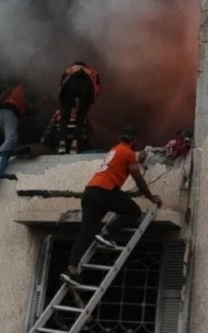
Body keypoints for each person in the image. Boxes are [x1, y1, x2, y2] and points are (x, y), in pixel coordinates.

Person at [61, 126, 162, 286]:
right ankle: (107, 233)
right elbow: (138, 179)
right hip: (106, 190)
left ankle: (71, 269)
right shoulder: (128, 153)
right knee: (133, 212)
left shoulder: (115, 150)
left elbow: (123, 166)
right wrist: (151, 197)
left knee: (86, 231)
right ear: (133, 141)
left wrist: (137, 161)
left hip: (90, 191)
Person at [58, 62, 101, 145]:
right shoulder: (92, 72)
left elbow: (63, 87)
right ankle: (75, 142)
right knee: (81, 118)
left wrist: (62, 109)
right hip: (85, 89)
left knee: (64, 118)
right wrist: (86, 110)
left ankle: (61, 143)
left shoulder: (69, 69)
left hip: (70, 88)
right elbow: (96, 91)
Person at [0, 84, 27, 155]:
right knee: (11, 139)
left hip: (2, 114)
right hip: (10, 113)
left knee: (9, 140)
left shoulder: (13, 92)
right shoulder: (20, 89)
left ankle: (4, 153)